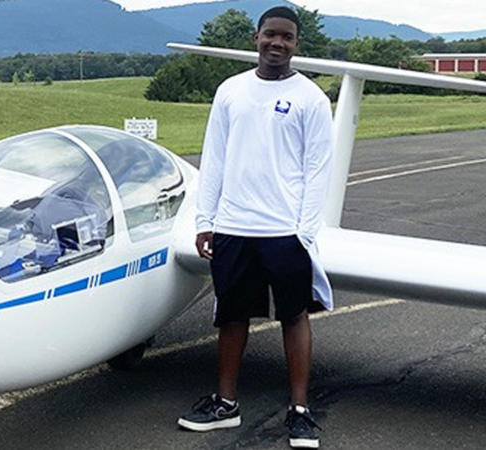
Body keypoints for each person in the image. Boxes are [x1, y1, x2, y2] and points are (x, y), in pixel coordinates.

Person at [177, 6, 334, 449]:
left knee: (294, 315)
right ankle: (226, 403)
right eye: (270, 35)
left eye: (286, 37)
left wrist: (304, 233)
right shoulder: (231, 91)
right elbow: (215, 160)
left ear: (296, 43)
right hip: (233, 225)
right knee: (231, 314)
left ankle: (300, 411)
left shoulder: (311, 99)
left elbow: (317, 167)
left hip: (284, 230)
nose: (277, 43)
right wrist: (206, 221)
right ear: (256, 37)